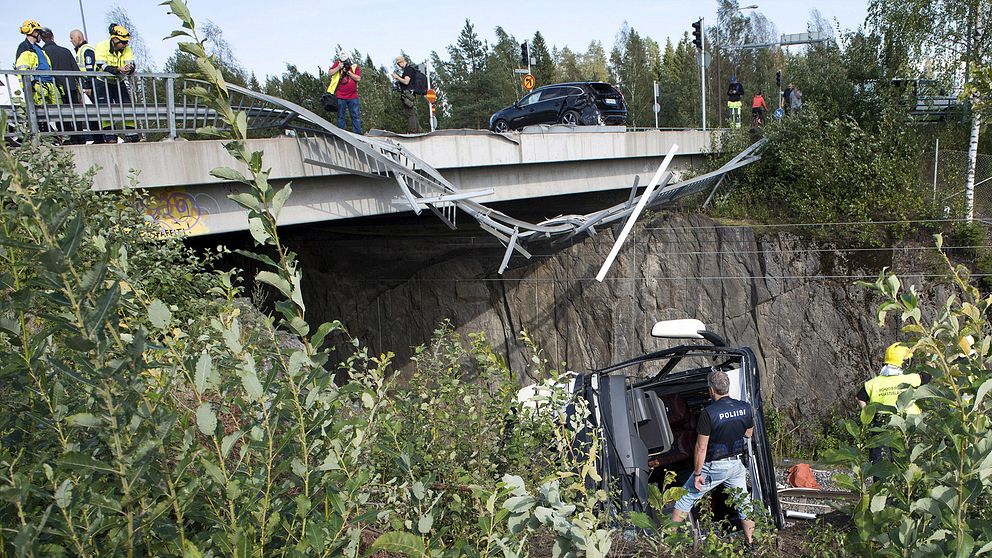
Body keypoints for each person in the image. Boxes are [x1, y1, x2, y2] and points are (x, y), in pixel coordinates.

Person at [671, 369, 756, 545]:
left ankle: (665, 542)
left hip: (714, 466)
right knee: (744, 504)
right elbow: (749, 433)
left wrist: (696, 475)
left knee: (685, 499)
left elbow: (701, 447)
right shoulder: (744, 407)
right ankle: (750, 542)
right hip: (736, 465)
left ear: (711, 390)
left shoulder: (708, 413)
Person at [856, 343, 931, 463]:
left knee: (881, 466)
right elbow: (928, 376)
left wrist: (867, 417)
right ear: (906, 363)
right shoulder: (912, 378)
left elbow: (860, 397)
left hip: (880, 424)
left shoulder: (873, 383)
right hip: (907, 425)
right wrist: (928, 355)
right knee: (907, 463)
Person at [94, 24, 138, 143]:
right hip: (103, 82)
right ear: (114, 39)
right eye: (123, 42)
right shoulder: (101, 46)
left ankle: (132, 133)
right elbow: (101, 65)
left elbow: (131, 62)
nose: (125, 45)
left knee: (126, 105)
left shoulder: (126, 48)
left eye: (126, 42)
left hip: (119, 81)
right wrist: (118, 69)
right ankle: (110, 135)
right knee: (105, 109)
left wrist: (129, 68)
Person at [14, 20, 58, 107]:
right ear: (34, 32)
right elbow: (22, 69)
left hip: (49, 85)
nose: (41, 36)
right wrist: (33, 84)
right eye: (39, 32)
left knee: (57, 113)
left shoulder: (39, 48)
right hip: (38, 87)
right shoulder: (24, 47)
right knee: (42, 116)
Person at [40, 28, 79, 104]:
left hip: (55, 90)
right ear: (53, 36)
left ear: (42, 39)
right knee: (75, 113)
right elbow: (76, 70)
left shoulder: (42, 53)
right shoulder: (65, 51)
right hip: (71, 88)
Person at [329, 51, 362, 134]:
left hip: (353, 96)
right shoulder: (337, 64)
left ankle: (358, 134)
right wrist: (338, 68)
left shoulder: (354, 67)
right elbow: (329, 73)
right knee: (341, 116)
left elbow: (358, 78)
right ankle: (342, 133)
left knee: (355, 116)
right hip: (340, 96)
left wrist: (348, 72)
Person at [390, 55, 420, 134]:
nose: (399, 66)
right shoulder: (409, 69)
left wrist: (397, 77)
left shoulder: (408, 70)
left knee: (410, 113)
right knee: (411, 112)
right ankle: (415, 130)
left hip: (408, 94)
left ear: (401, 62)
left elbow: (406, 81)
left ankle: (413, 131)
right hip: (410, 93)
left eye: (398, 64)